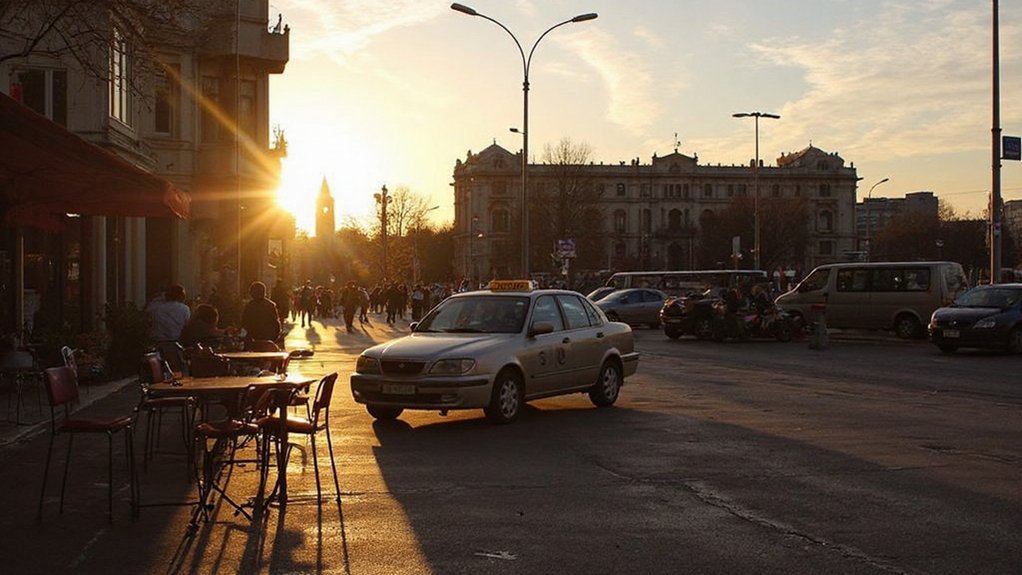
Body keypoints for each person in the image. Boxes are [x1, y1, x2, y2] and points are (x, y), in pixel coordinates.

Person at [241, 281, 281, 346]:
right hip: (268, 340)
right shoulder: (271, 305)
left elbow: (244, 323)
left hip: (254, 340)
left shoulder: (250, 306)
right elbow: (276, 324)